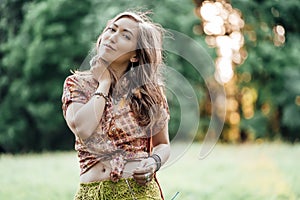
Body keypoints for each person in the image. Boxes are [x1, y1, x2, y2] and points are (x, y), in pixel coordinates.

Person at [62, 10, 170, 200]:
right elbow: (83, 128)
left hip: (139, 193)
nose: (112, 37)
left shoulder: (149, 94)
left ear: (135, 56)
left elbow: (162, 144)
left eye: (125, 35)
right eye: (112, 29)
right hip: (92, 193)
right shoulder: (77, 83)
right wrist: (104, 83)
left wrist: (154, 162)